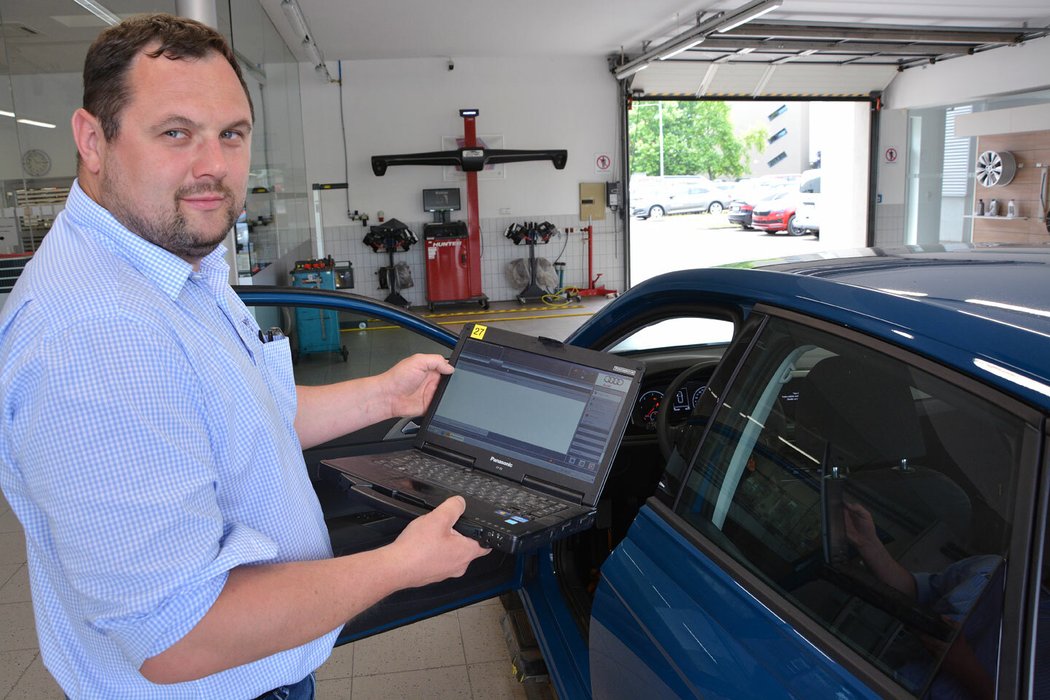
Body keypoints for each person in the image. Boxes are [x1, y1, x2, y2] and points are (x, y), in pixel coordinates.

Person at [0, 13, 488, 699]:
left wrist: (386, 395)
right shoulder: (95, 336)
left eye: (231, 135)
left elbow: (248, 415)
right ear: (91, 140)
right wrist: (399, 566)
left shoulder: (177, 267)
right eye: (175, 133)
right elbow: (178, 634)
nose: (212, 167)